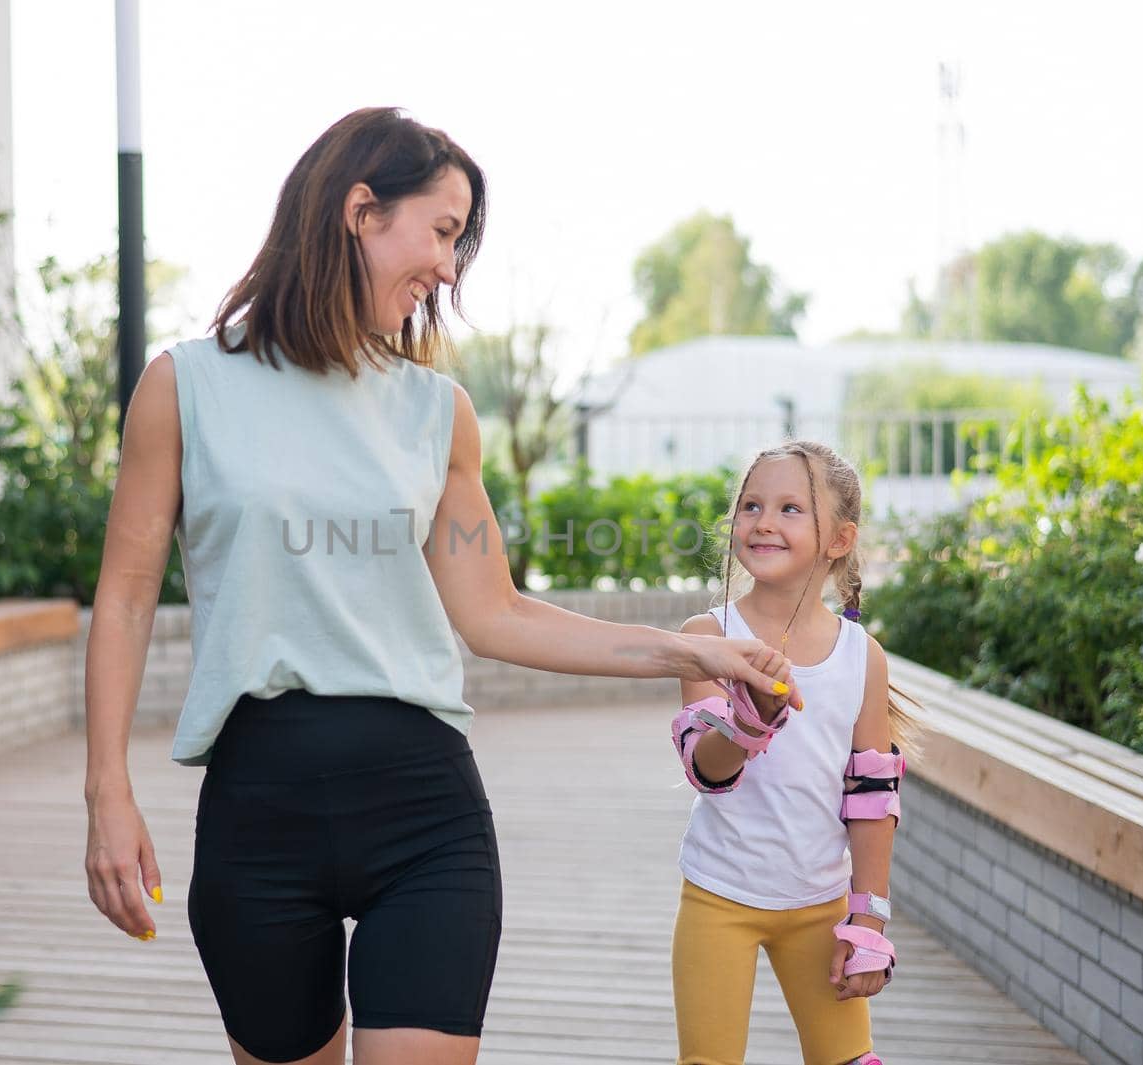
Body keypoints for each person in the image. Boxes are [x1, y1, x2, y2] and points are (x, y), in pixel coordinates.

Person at [82, 107, 794, 1065]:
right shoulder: (185, 386)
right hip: (258, 815)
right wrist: (106, 795)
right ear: (361, 210)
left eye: (461, 244)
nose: (450, 271)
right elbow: (124, 599)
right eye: (445, 231)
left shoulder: (436, 412)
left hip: (423, 815)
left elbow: (494, 612)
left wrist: (690, 649)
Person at [667, 440, 917, 1065]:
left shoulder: (864, 656)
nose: (764, 522)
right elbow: (705, 770)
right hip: (719, 894)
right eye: (751, 505)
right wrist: (750, 724)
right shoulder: (708, 638)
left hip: (820, 906)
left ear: (839, 539)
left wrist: (869, 922)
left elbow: (871, 799)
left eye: (789, 508)